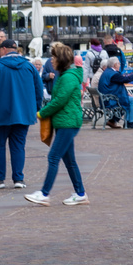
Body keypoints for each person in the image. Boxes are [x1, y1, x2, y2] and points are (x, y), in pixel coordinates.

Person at [27, 43, 88, 206]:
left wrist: (42, 113)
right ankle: (80, 193)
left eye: (54, 57)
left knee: (53, 156)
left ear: (60, 60)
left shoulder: (67, 77)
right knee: (69, 160)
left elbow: (59, 100)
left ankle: (44, 193)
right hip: (66, 122)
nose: (51, 60)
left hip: (68, 122)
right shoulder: (66, 75)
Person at [0, 39, 43, 189]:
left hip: (1, 112)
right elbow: (39, 89)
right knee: (18, 146)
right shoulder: (29, 67)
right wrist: (35, 108)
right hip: (23, 114)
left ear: (4, 50)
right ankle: (18, 179)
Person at [97, 56, 133, 128]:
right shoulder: (114, 74)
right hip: (110, 100)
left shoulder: (107, 72)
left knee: (126, 99)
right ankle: (129, 122)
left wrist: (126, 93)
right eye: (118, 63)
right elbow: (126, 79)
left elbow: (115, 85)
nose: (120, 64)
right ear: (115, 65)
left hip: (106, 98)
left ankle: (112, 120)